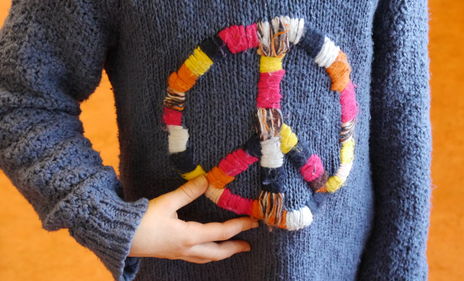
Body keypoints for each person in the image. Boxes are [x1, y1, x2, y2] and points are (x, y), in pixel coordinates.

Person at [0, 0, 432, 280]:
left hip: (342, 265)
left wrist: (401, 270)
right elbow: (20, 99)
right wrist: (107, 215)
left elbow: (404, 125)